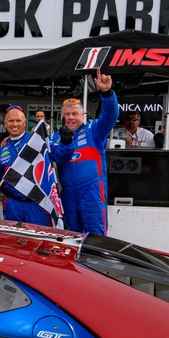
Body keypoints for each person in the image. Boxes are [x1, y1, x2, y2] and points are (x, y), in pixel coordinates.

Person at [50, 75, 119, 234]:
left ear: (83, 115)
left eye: (74, 113)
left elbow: (111, 115)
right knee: (71, 237)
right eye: (67, 114)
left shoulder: (94, 130)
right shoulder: (55, 137)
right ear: (62, 117)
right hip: (67, 194)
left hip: (91, 192)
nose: (71, 117)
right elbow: (59, 158)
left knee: (96, 238)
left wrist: (107, 93)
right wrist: (66, 142)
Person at [0, 105, 53, 226]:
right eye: (11, 121)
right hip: (13, 205)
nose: (14, 124)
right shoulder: (1, 150)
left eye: (18, 120)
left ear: (25, 122)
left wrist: (66, 142)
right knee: (13, 242)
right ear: (5, 123)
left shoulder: (38, 141)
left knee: (40, 241)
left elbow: (59, 155)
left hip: (37, 203)